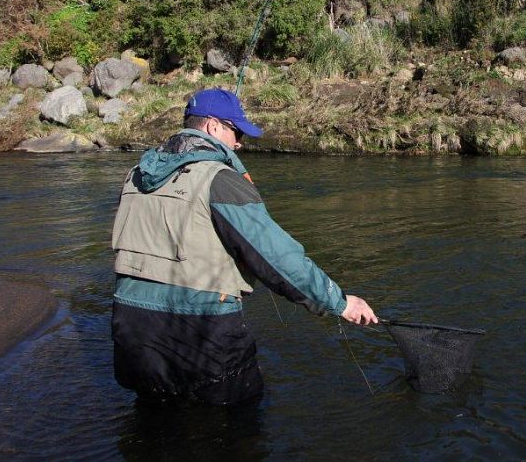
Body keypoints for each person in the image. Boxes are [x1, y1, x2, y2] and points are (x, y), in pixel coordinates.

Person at [111, 87, 377, 406]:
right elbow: (278, 259)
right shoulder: (221, 180)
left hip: (129, 331)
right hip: (201, 333)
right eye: (236, 132)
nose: (239, 143)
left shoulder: (136, 176)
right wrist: (339, 302)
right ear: (213, 127)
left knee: (156, 425)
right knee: (235, 431)